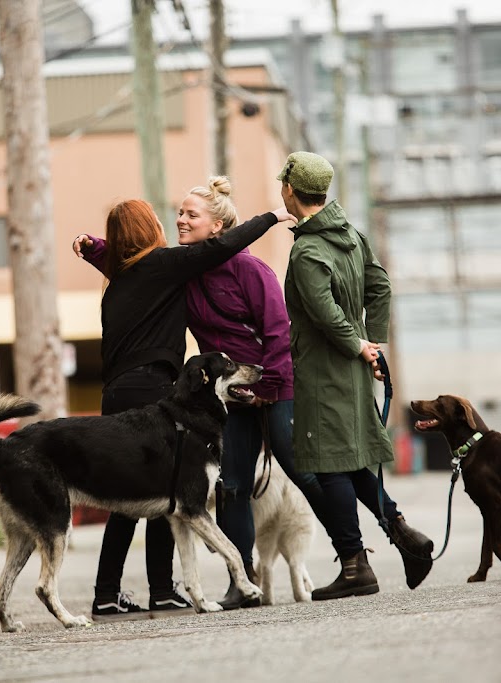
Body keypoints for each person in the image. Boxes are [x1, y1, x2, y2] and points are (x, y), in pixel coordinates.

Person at [177, 176, 434, 607]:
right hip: (235, 396)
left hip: (278, 385)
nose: (181, 220)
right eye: (179, 213)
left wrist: (272, 387)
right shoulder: (184, 275)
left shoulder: (251, 270)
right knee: (233, 486)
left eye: (190, 214)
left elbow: (278, 333)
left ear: (218, 226)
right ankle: (243, 583)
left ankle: (369, 551)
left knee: (313, 472)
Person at [72, 197, 295, 621]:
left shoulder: (121, 278)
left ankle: (106, 594)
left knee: (125, 500)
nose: (169, 223)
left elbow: (117, 253)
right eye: (158, 219)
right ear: (147, 232)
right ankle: (160, 590)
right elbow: (221, 247)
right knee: (168, 491)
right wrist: (271, 217)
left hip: (114, 393)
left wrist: (91, 247)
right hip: (152, 389)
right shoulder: (161, 265)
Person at [278, 151, 435, 600]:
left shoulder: (308, 249)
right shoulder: (350, 234)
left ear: (291, 189)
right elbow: (380, 285)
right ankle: (404, 534)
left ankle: (354, 567)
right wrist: (372, 342)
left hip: (324, 369)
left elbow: (324, 312)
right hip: (353, 367)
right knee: (350, 460)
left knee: (329, 465)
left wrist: (356, 343)